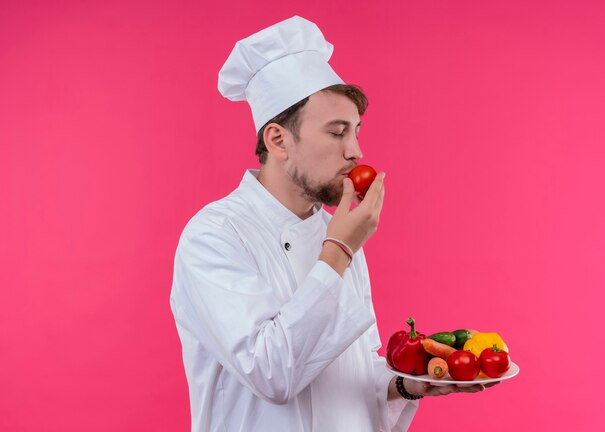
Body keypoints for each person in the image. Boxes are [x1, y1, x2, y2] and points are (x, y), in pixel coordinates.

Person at [170, 16, 490, 432]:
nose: (356, 151)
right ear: (278, 140)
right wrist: (338, 249)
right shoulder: (213, 236)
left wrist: (409, 383)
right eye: (337, 132)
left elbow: (346, 375)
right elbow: (272, 373)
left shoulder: (335, 231)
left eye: (356, 131)